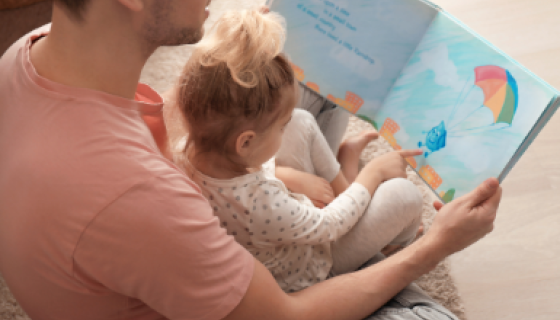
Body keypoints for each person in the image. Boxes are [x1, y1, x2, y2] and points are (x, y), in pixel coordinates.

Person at [0, 1, 502, 320]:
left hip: (185, 237)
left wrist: (276, 170)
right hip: (267, 291)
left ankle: (365, 245)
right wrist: (437, 246)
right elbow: (284, 313)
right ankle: (375, 258)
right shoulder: (139, 199)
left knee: (283, 78)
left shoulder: (26, 55)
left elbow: (190, 139)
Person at [173, 9, 424, 292]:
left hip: (291, 221)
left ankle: (347, 182)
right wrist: (374, 174)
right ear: (245, 142)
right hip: (316, 262)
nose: (284, 130)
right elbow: (330, 224)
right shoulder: (260, 203)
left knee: (302, 120)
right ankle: (396, 243)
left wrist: (286, 174)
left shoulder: (187, 149)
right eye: (280, 128)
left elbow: (251, 175)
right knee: (404, 195)